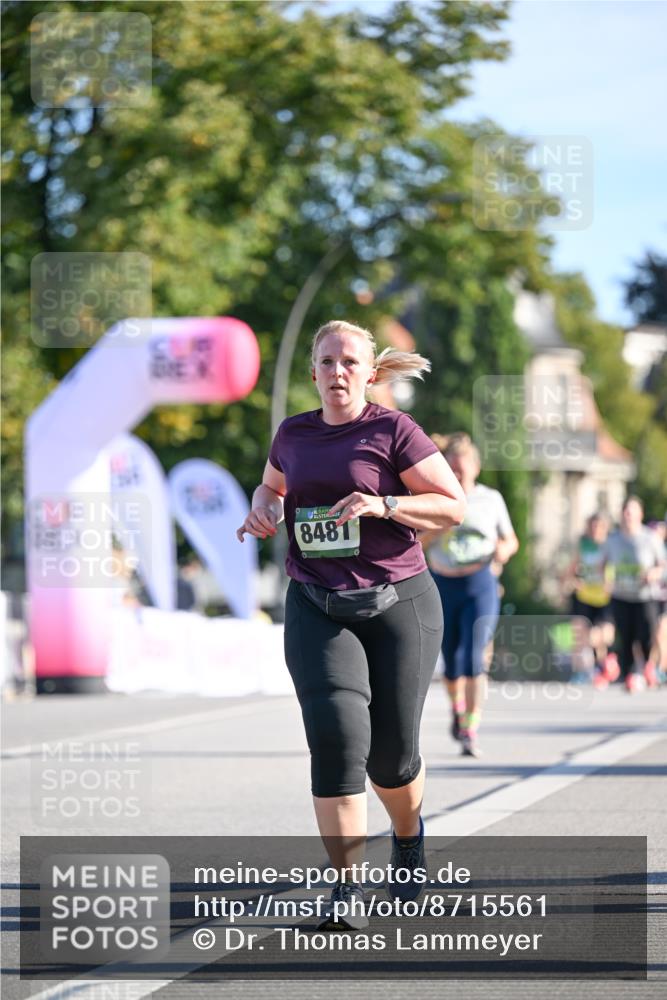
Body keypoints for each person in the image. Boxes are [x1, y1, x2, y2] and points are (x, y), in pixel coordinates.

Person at [236, 319, 465, 929]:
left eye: (349, 362)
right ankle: (347, 887)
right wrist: (262, 509)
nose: (337, 372)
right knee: (336, 740)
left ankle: (408, 835)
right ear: (313, 371)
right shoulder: (293, 433)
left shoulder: (394, 431)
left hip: (398, 603)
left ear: (370, 373)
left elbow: (452, 506)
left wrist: (384, 504)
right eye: (327, 361)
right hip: (316, 603)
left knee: (390, 757)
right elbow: (271, 488)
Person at [420, 433, 519, 758]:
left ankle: (470, 728)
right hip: (443, 584)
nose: (458, 476)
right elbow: (416, 542)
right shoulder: (435, 498)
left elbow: (511, 540)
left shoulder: (490, 499)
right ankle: (458, 711)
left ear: (475, 468)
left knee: (474, 656)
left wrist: (503, 550)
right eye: (452, 470)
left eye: (462, 470)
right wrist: (441, 526)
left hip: (480, 584)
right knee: (451, 661)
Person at [601, 496, 666, 692]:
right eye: (625, 512)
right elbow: (602, 564)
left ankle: (648, 670)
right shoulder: (612, 539)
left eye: (632, 512)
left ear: (640, 514)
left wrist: (654, 573)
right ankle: (630, 674)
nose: (628, 515)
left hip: (645, 596)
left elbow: (662, 564)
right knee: (625, 637)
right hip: (621, 595)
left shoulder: (650, 538)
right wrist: (605, 580)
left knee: (646, 637)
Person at [561, 513, 618, 689]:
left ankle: (603, 665)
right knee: (579, 637)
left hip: (604, 599)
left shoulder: (611, 546)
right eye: (592, 526)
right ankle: (582, 672)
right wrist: (572, 582)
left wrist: (613, 583)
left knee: (603, 637)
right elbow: (569, 572)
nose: (595, 530)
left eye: (599, 527)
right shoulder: (583, 547)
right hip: (584, 597)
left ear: (605, 528)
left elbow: (619, 569)